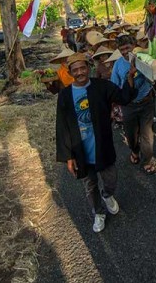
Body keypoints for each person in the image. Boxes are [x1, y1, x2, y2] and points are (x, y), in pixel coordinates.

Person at [55, 53, 138, 233]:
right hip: (81, 150)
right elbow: (62, 126)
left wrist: (130, 78)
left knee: (110, 180)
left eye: (82, 68)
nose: (80, 73)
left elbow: (124, 97)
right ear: (70, 72)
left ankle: (107, 195)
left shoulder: (101, 87)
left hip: (102, 146)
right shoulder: (65, 96)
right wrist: (68, 156)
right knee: (90, 186)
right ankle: (98, 212)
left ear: (88, 67)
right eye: (75, 70)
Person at [110, 34, 156, 174]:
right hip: (128, 105)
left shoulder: (143, 59)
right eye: (121, 49)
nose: (124, 52)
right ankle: (135, 151)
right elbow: (114, 87)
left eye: (127, 48)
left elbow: (154, 76)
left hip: (146, 101)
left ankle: (147, 160)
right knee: (131, 135)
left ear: (134, 46)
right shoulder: (118, 65)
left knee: (147, 135)